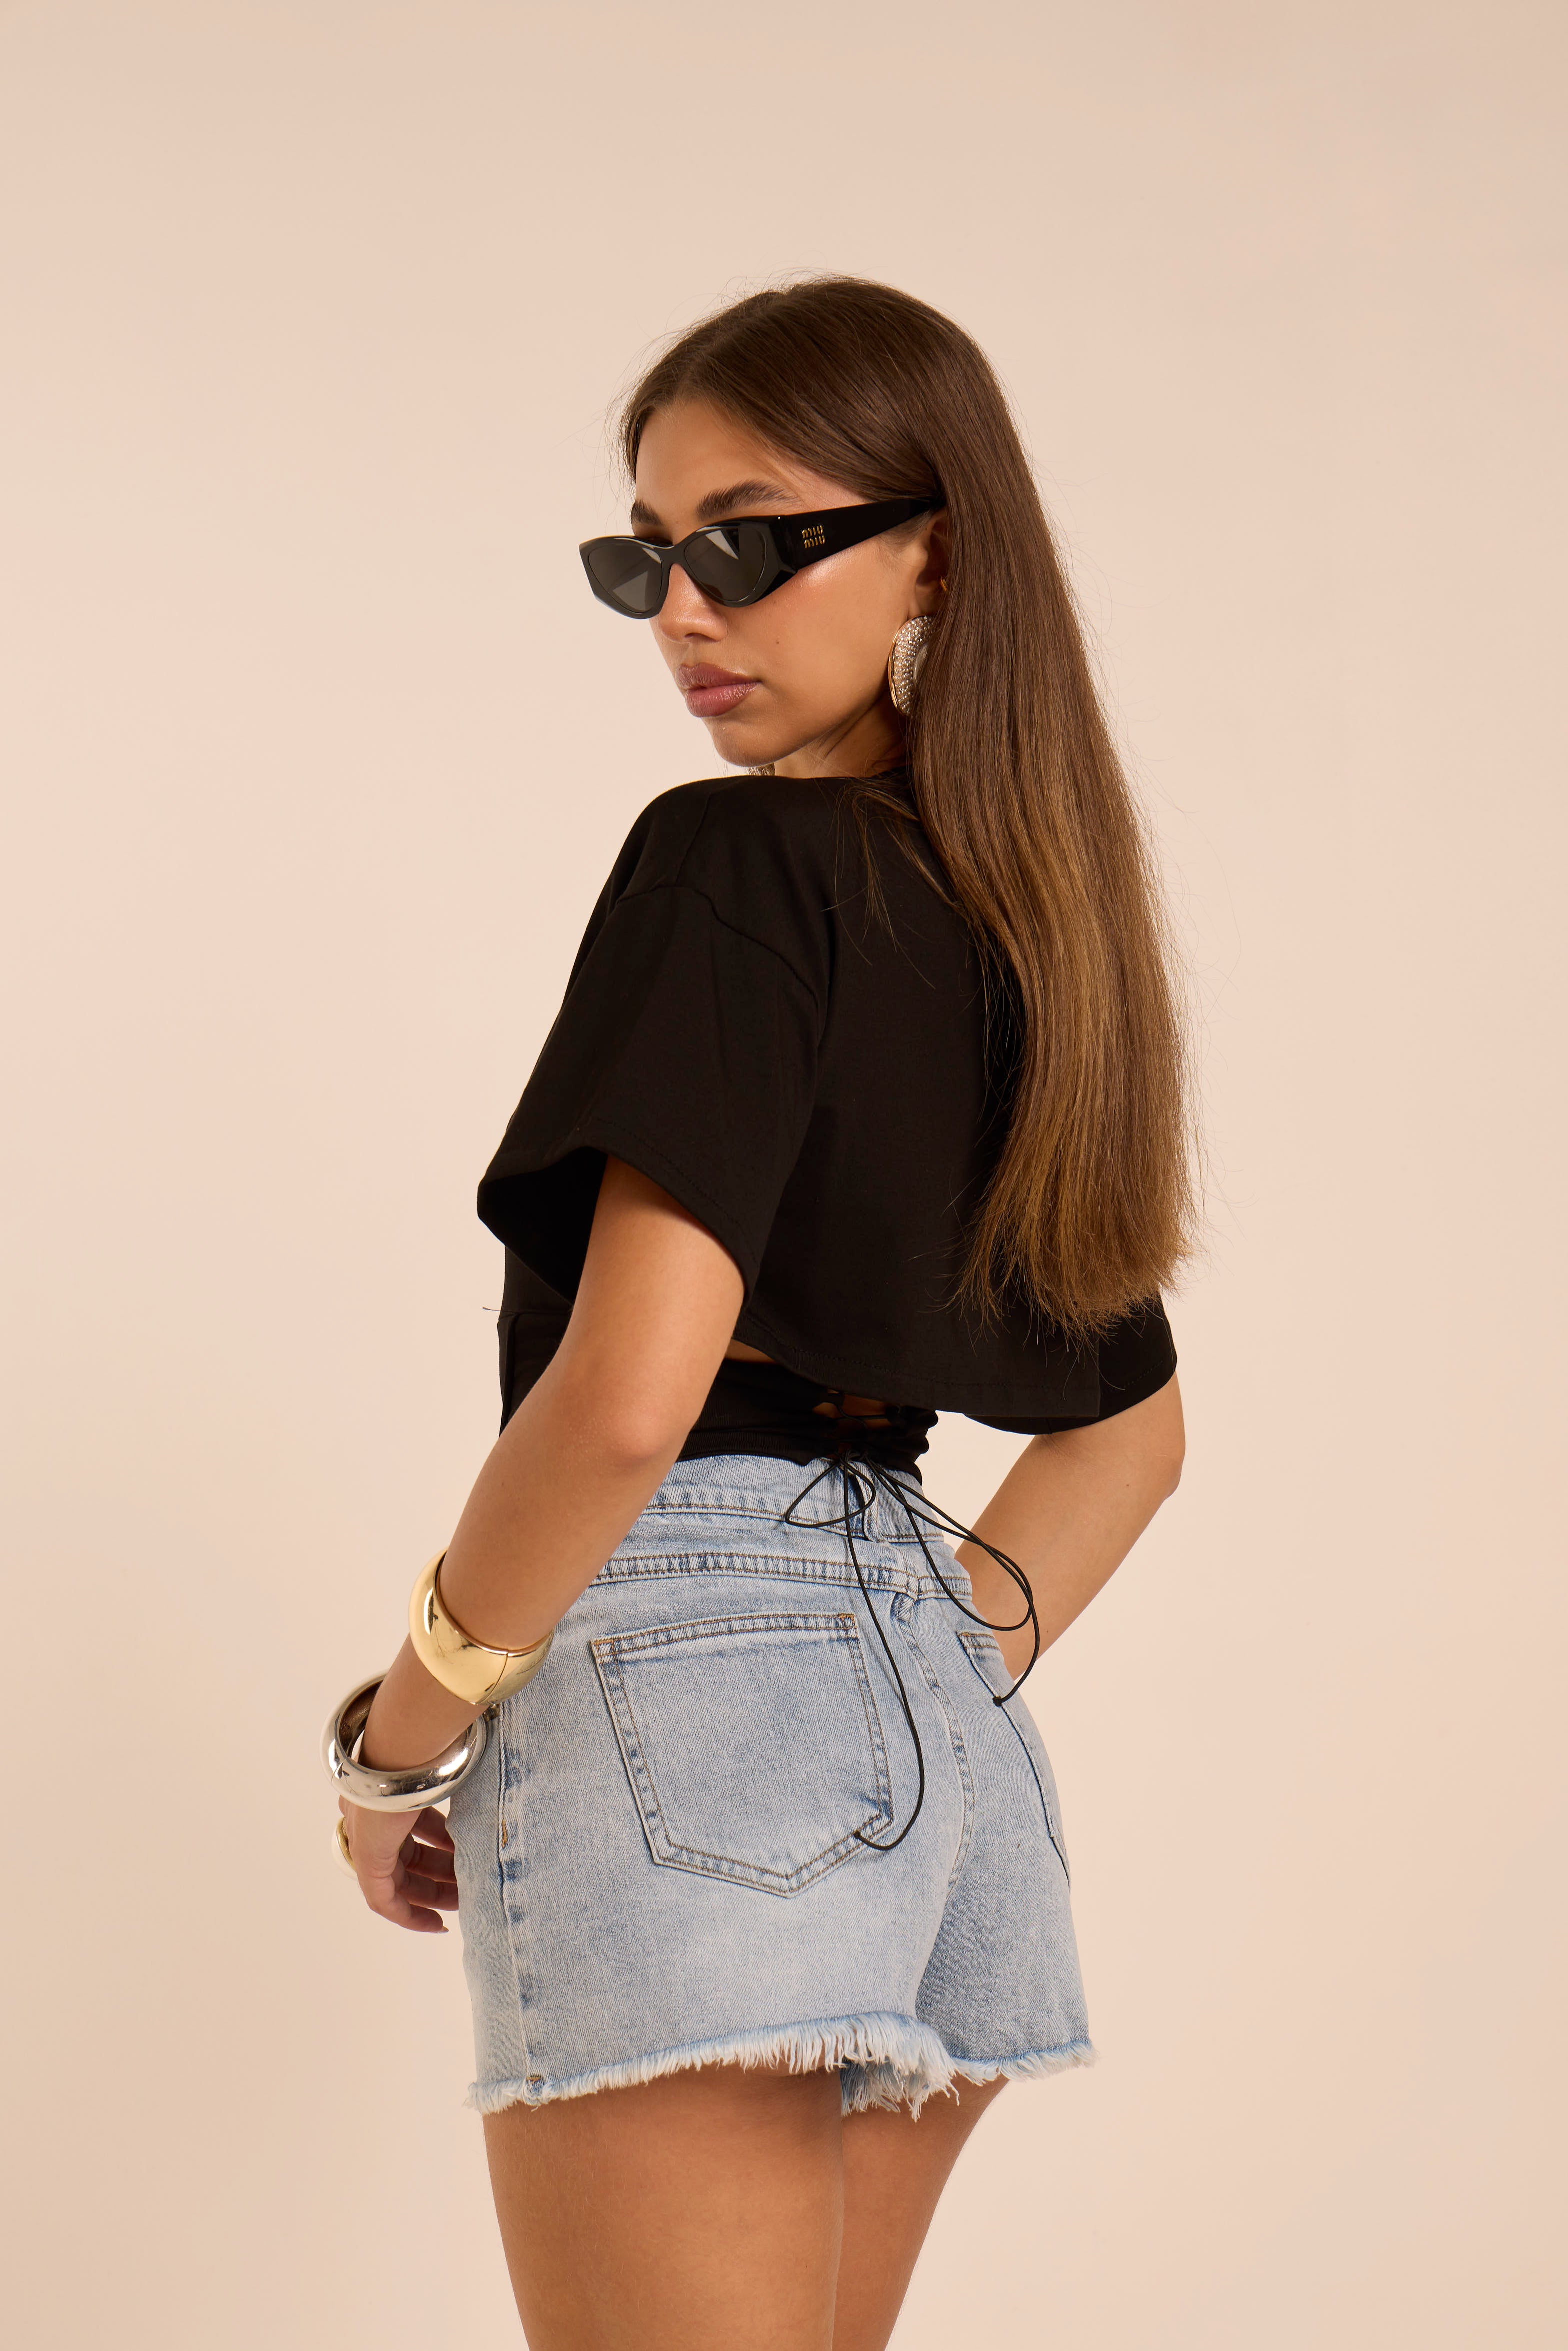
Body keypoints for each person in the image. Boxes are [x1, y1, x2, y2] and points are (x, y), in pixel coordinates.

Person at [327, 274, 1191, 2351]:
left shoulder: (734, 862)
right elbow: (1131, 1432)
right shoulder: (1024, 923)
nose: (685, 611)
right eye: (646, 558)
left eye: (749, 538)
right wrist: (887, 1663)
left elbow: (628, 1402)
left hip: (686, 1707)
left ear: (934, 549)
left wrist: (395, 1742)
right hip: (946, 1760)